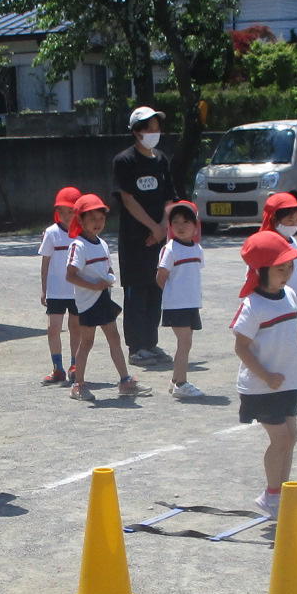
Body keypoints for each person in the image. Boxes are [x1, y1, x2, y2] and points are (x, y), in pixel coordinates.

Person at [230, 230, 297, 517]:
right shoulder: (253, 305)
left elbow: (296, 332)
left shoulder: (288, 295)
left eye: (289, 267)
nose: (287, 273)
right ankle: (271, 495)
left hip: (287, 383)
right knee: (281, 439)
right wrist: (265, 375)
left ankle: (281, 491)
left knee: (291, 436)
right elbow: (241, 347)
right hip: (260, 387)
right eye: (280, 268)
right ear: (261, 271)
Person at [113, 107, 179, 367]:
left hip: (160, 238)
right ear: (136, 132)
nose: (154, 133)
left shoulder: (161, 159)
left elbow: (169, 196)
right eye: (148, 128)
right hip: (134, 239)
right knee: (136, 291)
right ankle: (136, 347)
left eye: (156, 128)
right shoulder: (124, 161)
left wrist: (162, 226)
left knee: (156, 289)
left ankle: (151, 342)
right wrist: (152, 227)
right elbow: (127, 199)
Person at [65, 193, 138, 400]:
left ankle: (125, 380)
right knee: (86, 342)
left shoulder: (103, 244)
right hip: (88, 302)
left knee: (114, 337)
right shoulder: (77, 245)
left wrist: (110, 279)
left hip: (103, 298)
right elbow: (70, 275)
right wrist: (94, 286)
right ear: (81, 220)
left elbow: (109, 269)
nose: (98, 223)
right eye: (92, 219)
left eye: (101, 218)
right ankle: (78, 385)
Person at [154, 199, 208, 400]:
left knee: (186, 343)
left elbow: (193, 274)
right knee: (184, 342)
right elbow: (161, 276)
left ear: (195, 226)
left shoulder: (197, 249)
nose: (181, 226)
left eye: (186, 222)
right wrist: (171, 296)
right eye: (175, 222)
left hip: (191, 303)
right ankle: (181, 384)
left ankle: (176, 380)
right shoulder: (170, 248)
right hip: (177, 305)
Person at [37, 186, 80, 385]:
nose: (66, 215)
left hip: (77, 289)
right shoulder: (52, 233)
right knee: (53, 329)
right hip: (56, 290)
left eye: (70, 211)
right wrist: (43, 288)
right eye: (62, 211)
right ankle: (57, 368)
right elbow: (45, 262)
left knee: (76, 328)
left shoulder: (82, 233)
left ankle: (75, 365)